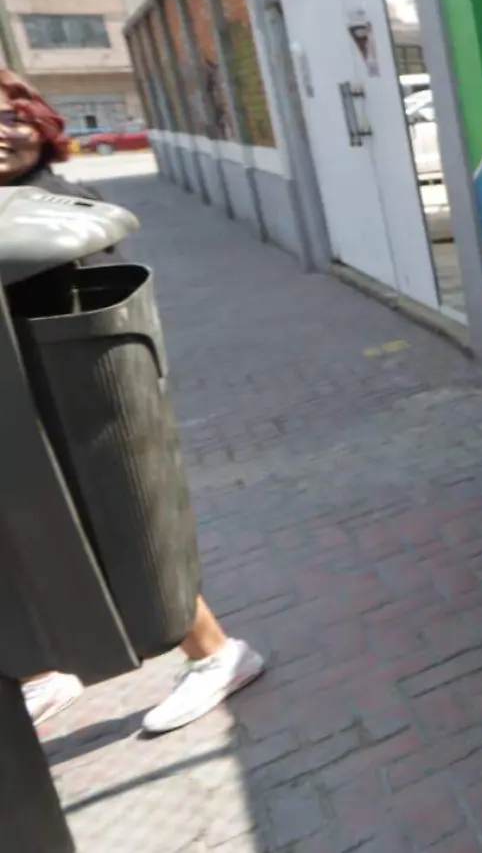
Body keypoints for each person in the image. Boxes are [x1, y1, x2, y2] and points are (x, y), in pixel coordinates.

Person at [2, 69, 267, 736]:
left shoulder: (62, 205)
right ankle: (48, 668)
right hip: (15, 416)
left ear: (42, 123)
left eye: (13, 117)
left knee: (125, 536)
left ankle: (215, 655)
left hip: (64, 411)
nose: (1, 133)